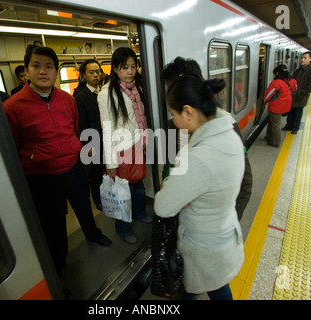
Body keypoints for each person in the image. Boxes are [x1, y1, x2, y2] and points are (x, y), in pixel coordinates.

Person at [3, 45, 112, 276]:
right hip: (42, 176)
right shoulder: (13, 106)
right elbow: (12, 145)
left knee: (83, 205)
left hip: (72, 168)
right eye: (36, 66)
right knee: (54, 223)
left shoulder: (66, 99)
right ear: (27, 69)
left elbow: (73, 128)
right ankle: (60, 262)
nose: (43, 71)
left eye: (49, 67)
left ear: (55, 70)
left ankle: (93, 234)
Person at [154, 74, 245, 300]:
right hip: (223, 235)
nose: (173, 119)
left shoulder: (199, 157)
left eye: (173, 114)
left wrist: (172, 184)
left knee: (190, 292)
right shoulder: (229, 135)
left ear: (188, 112)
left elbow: (163, 206)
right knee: (219, 286)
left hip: (202, 246)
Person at [162, 56, 252, 220]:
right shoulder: (173, 125)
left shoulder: (226, 126)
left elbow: (244, 183)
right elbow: (169, 166)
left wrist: (228, 221)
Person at [97, 47, 150, 244]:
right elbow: (107, 129)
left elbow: (141, 118)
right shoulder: (106, 94)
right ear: (115, 69)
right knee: (123, 192)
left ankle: (139, 212)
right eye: (124, 67)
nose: (130, 71)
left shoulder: (137, 88)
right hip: (120, 150)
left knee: (139, 186)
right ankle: (123, 228)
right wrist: (110, 163)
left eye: (133, 66)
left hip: (138, 145)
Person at [75, 59, 105, 210]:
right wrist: (88, 146)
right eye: (91, 72)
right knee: (96, 173)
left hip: (109, 139)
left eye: (98, 72)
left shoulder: (105, 93)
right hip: (94, 142)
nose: (95, 75)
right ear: (84, 75)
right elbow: (82, 125)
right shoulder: (81, 98)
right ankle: (98, 200)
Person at [283, 51, 311, 134]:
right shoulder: (299, 70)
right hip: (293, 94)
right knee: (291, 111)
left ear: (310, 59)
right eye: (302, 58)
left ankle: (295, 127)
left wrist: (300, 93)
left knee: (297, 112)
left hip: (301, 96)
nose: (302, 60)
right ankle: (288, 125)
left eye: (305, 58)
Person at [263, 64, 297, 147]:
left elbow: (268, 95)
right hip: (286, 105)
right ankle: (268, 136)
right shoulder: (292, 80)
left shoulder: (276, 82)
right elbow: (294, 90)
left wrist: (265, 102)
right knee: (272, 121)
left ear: (278, 73)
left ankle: (275, 142)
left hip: (276, 106)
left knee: (275, 125)